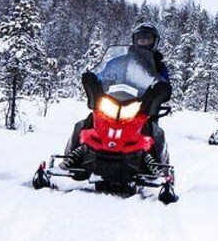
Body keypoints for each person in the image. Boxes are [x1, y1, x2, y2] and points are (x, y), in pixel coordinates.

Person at [62, 23, 171, 171]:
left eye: (147, 39)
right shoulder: (121, 60)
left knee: (153, 130)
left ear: (154, 42)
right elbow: (105, 72)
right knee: (88, 121)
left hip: (142, 105)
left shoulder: (158, 65)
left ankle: (157, 166)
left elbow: (163, 82)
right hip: (115, 99)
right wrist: (94, 81)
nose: (143, 42)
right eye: (140, 39)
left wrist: (160, 90)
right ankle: (72, 157)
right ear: (134, 40)